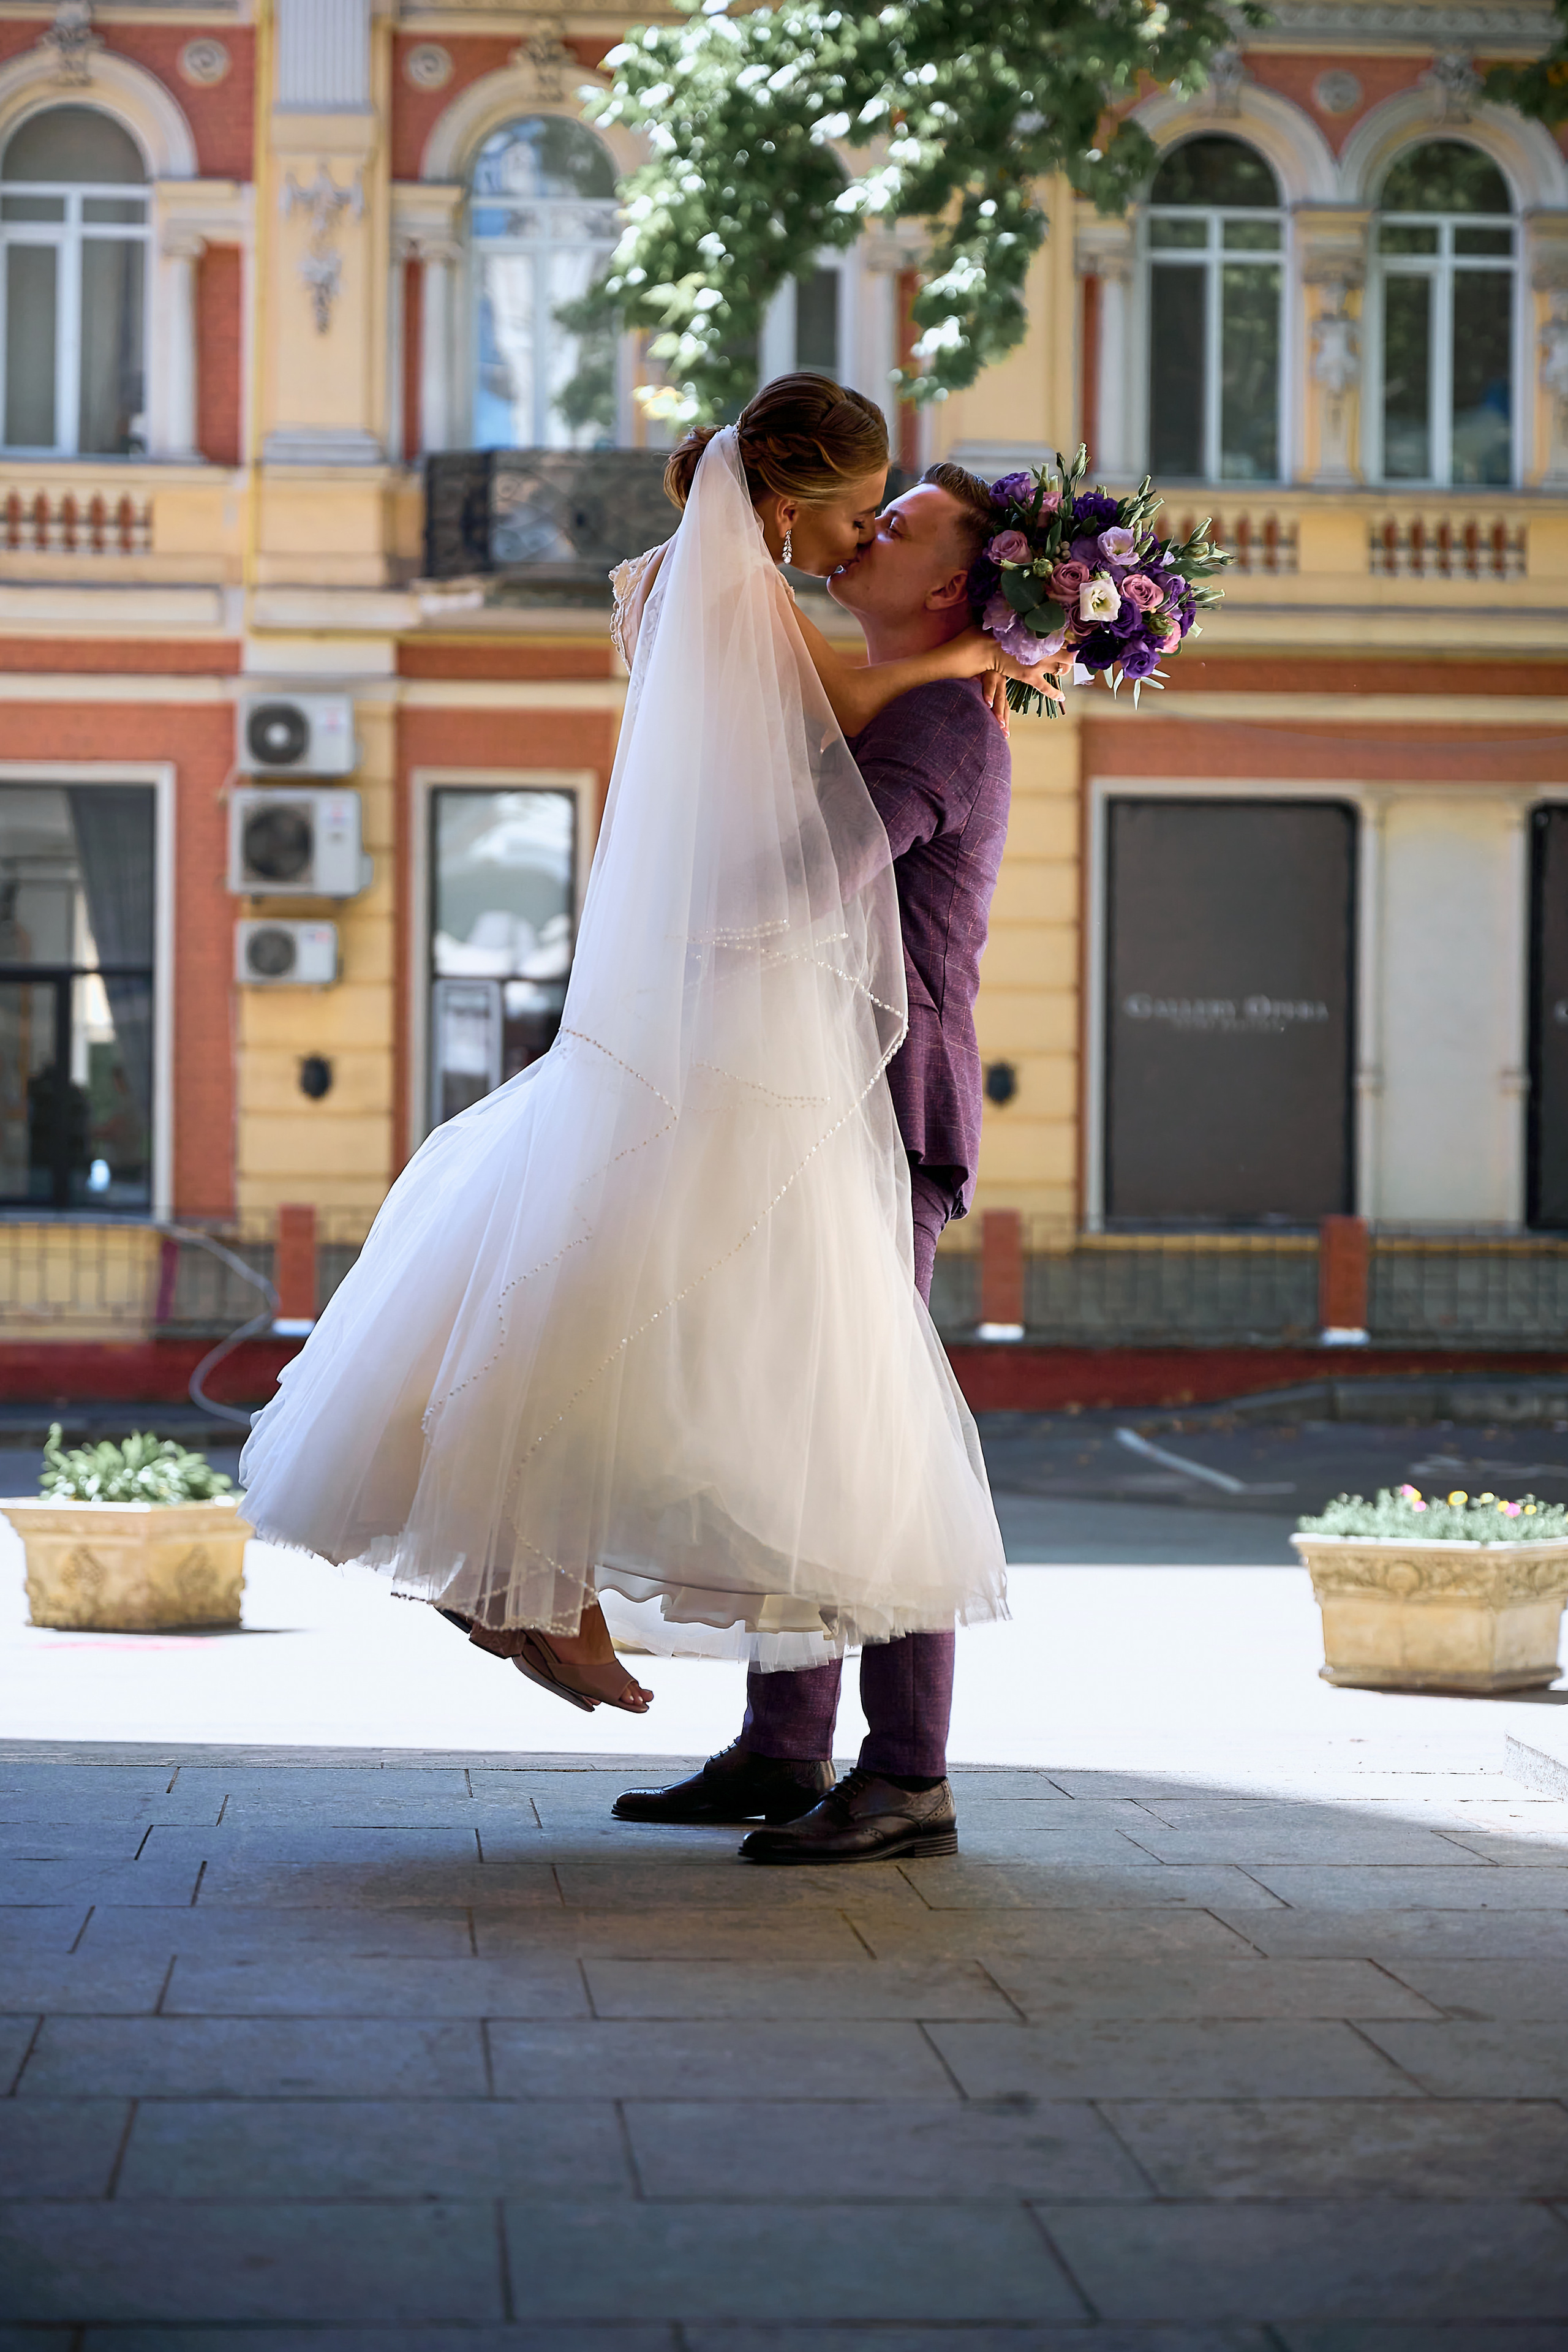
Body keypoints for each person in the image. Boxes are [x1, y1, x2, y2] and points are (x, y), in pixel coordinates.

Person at [237, 373, 1047, 1720]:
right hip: (763, 1052)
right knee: (756, 1381)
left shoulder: (721, 605)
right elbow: (812, 811)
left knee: (791, 1394)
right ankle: (586, 1619)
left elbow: (824, 820)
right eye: (865, 511)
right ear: (792, 502)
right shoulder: (778, 628)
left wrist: (976, 662)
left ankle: (869, 1759)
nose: (863, 541)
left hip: (853, 1087)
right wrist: (988, 650)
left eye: (892, 527)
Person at [614, 458, 1030, 1861]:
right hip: (813, 1101)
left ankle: (906, 1773)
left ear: (958, 587)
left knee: (867, 1429)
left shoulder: (942, 727)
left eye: (901, 525)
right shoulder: (880, 697)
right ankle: (784, 1748)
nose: (870, 529)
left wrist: (681, 884)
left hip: (880, 1110)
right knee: (793, 1423)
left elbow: (806, 882)